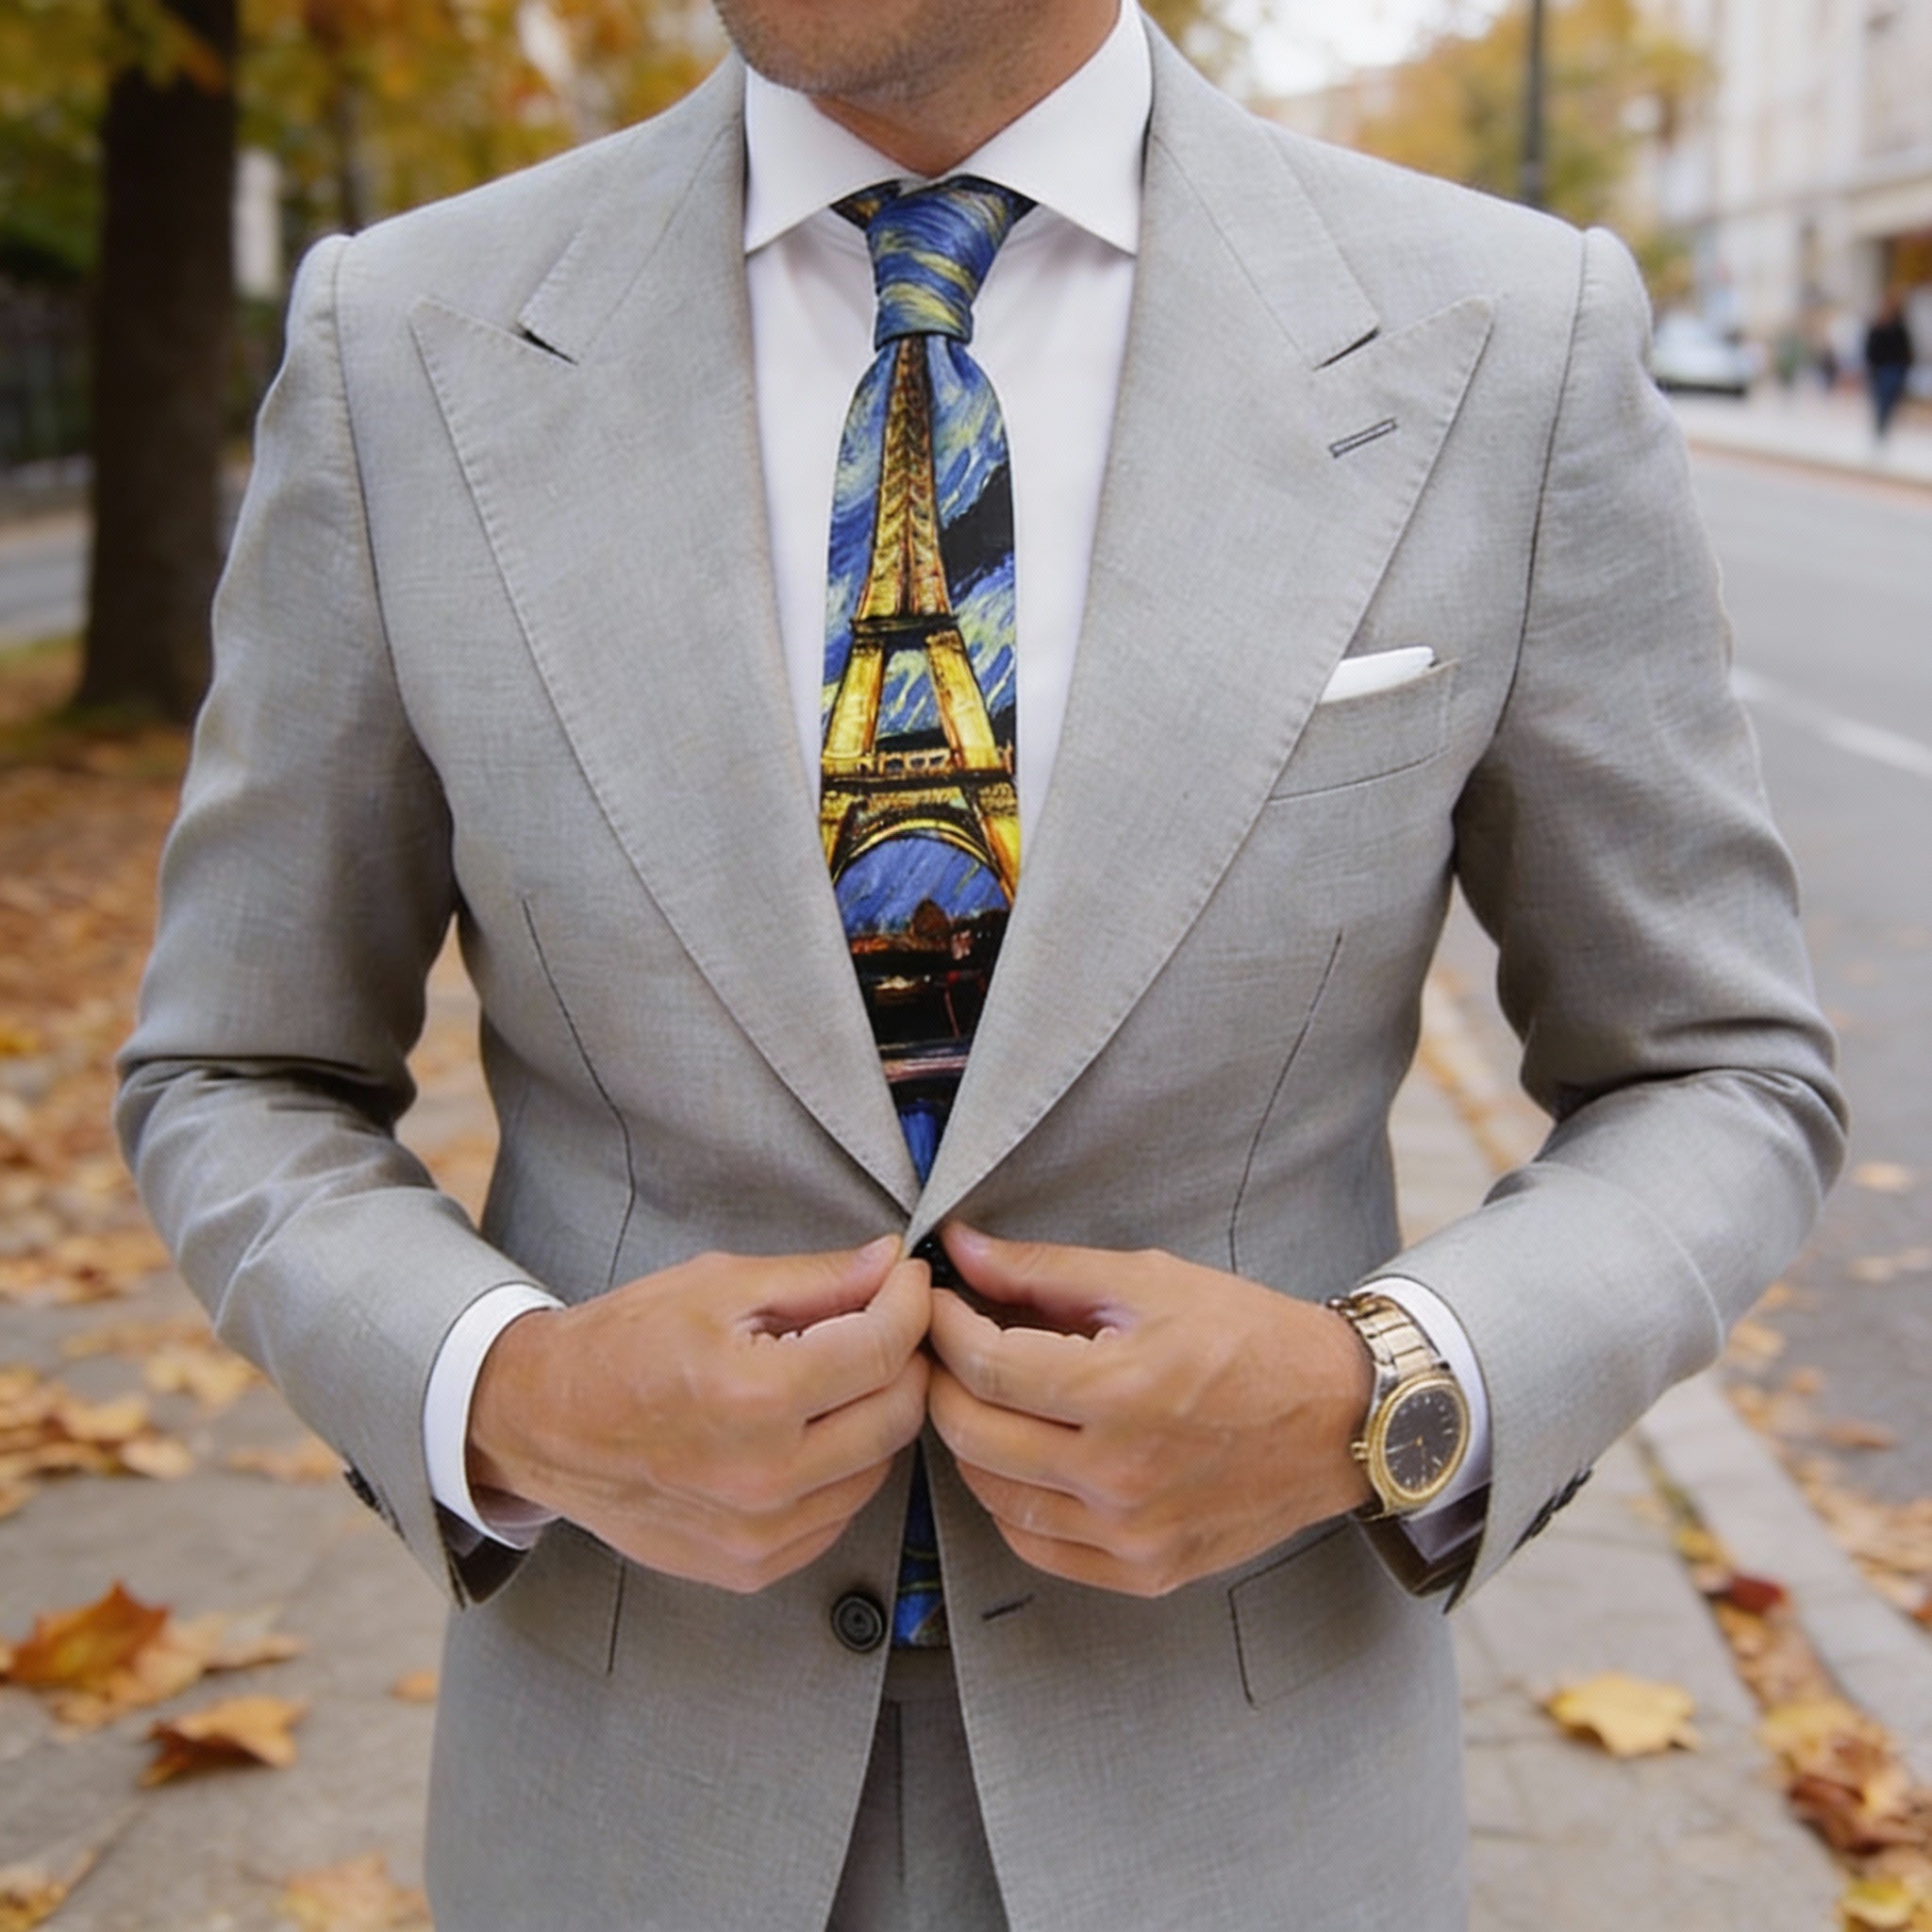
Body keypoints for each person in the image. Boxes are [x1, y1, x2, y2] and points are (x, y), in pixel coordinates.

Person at [118, 3, 1844, 1927]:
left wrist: (1377, 1392)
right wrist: (505, 1392)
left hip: (1247, 1809)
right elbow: (235, 1065)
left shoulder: (1507, 336)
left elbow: (1717, 1068)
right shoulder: (404, 341)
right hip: (626, 1807)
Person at [1866, 291, 1916, 440]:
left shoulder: (1899, 326)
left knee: (1889, 397)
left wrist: (1905, 365)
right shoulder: (1877, 325)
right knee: (1880, 398)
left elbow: (1906, 349)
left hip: (1894, 368)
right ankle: (1880, 426)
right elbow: (1870, 348)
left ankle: (1883, 425)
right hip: (1879, 368)